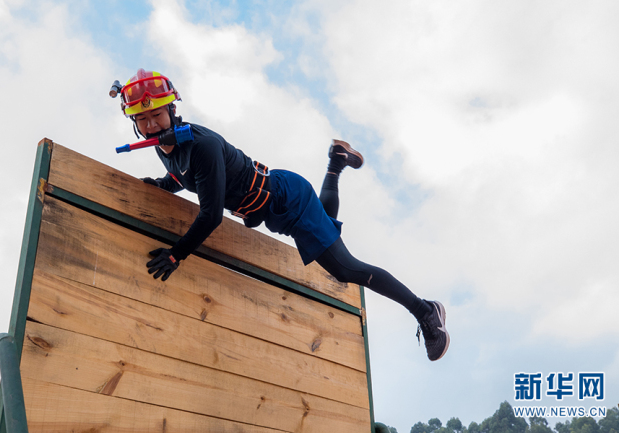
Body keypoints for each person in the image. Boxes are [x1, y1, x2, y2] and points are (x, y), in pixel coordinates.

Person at [114, 68, 449, 361]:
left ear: (173, 109)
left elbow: (211, 214)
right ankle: (336, 162)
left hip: (287, 201)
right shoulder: (164, 147)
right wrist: (161, 184)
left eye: (157, 114)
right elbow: (183, 176)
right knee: (329, 229)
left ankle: (425, 311)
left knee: (345, 269)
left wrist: (176, 255)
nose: (150, 124)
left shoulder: (202, 146)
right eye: (141, 119)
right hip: (280, 206)